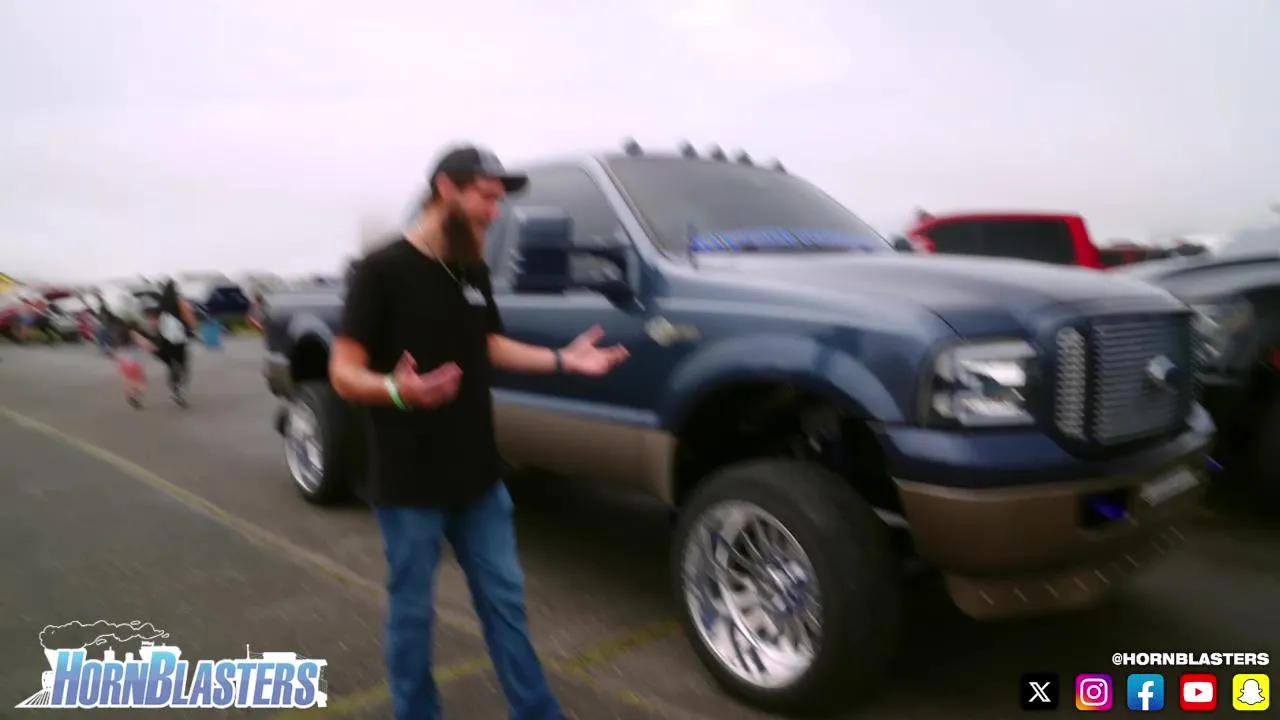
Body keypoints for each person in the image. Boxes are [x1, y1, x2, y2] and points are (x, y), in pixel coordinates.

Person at [329, 145, 629, 720]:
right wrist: (398, 390)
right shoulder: (381, 272)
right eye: (485, 198)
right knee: (413, 615)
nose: (494, 212)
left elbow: (487, 344)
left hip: (479, 479)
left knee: (506, 604)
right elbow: (343, 371)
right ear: (446, 190)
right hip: (410, 485)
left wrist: (564, 360)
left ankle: (536, 712)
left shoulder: (471, 269)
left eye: (497, 201)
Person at [154, 279, 199, 407]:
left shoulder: (161, 303)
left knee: (171, 364)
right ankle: (180, 390)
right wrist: (193, 328)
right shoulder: (179, 300)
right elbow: (188, 316)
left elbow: (156, 322)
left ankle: (174, 386)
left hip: (165, 338)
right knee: (182, 363)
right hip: (178, 337)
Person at [106, 307, 154, 408]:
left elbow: (114, 350)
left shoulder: (119, 335)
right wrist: (152, 348)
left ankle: (131, 395)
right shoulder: (133, 334)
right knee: (141, 381)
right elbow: (145, 344)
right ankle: (136, 395)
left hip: (123, 363)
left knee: (129, 382)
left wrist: (114, 356)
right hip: (135, 362)